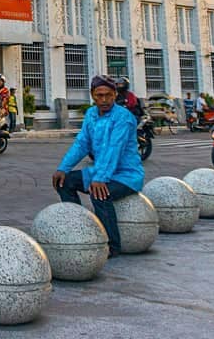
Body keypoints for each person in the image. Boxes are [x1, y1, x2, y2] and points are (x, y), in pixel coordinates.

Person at [53, 74, 145, 258]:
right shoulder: (91, 114)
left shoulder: (123, 118)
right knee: (63, 182)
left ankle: (111, 244)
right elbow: (81, 143)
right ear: (92, 95)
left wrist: (100, 178)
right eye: (99, 95)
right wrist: (63, 168)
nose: (104, 100)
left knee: (100, 194)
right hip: (99, 171)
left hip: (126, 176)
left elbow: (114, 149)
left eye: (108, 95)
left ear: (115, 95)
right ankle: (80, 228)